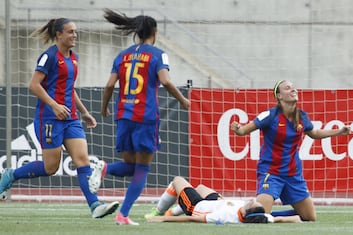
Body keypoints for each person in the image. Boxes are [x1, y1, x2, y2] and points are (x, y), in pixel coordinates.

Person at [0, 18, 119, 218]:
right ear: (59, 34)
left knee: (82, 161)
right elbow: (34, 85)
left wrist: (84, 111)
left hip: (71, 119)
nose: (74, 35)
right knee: (50, 168)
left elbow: (69, 89)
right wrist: (54, 106)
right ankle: (11, 175)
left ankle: (95, 206)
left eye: (75, 32)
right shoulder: (49, 57)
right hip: (49, 118)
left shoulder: (74, 58)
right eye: (70, 32)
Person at [88, 9, 190, 225]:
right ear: (154, 32)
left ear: (137, 32)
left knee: (131, 166)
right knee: (142, 169)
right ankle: (122, 214)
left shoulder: (122, 55)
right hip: (145, 117)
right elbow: (166, 81)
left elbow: (108, 85)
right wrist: (183, 100)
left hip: (124, 115)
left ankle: (104, 168)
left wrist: (104, 107)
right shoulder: (157, 54)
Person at [230, 80, 351, 221]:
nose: (293, 90)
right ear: (279, 96)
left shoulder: (301, 116)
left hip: (293, 174)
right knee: (260, 216)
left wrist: (339, 132)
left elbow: (315, 133)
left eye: (294, 88)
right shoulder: (270, 115)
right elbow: (243, 130)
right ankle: (246, 211)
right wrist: (238, 129)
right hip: (271, 173)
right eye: (288, 88)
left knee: (310, 217)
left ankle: (272, 216)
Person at [145, 176, 302, 224]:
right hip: (219, 202)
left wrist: (164, 220)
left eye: (251, 203)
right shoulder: (261, 217)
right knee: (200, 187)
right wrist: (297, 219)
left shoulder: (224, 216)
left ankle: (159, 211)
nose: (251, 199)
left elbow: (193, 219)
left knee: (177, 181)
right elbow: (282, 218)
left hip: (196, 206)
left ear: (246, 210)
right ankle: (174, 210)